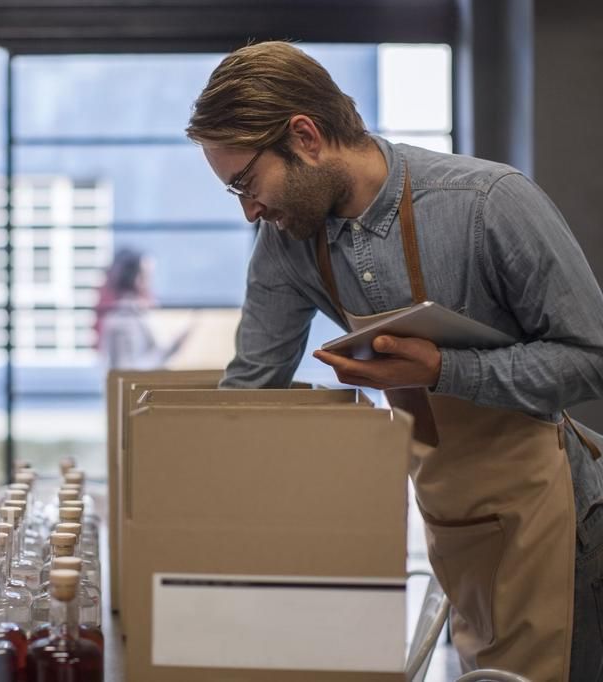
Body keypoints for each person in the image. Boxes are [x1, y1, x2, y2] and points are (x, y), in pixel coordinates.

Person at [187, 41, 603, 681]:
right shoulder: (287, 245)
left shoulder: (486, 203)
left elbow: (591, 358)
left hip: (557, 517)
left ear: (305, 136)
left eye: (246, 182)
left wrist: (442, 369)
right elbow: (250, 391)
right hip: (453, 517)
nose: (249, 210)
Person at [95, 248, 189, 370]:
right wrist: (171, 347)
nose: (151, 281)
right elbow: (129, 370)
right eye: (147, 275)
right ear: (136, 279)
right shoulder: (124, 319)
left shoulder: (138, 314)